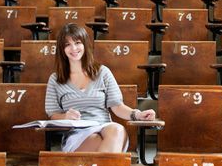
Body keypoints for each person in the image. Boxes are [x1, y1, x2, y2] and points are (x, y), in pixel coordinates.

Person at [45, 23, 156, 152]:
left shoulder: (103, 72)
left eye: (77, 42)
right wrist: (65, 116)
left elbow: (117, 107)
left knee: (117, 129)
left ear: (85, 44)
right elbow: (53, 114)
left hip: (105, 127)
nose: (74, 48)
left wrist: (138, 114)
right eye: (67, 45)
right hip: (77, 134)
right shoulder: (55, 79)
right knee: (102, 142)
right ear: (62, 49)